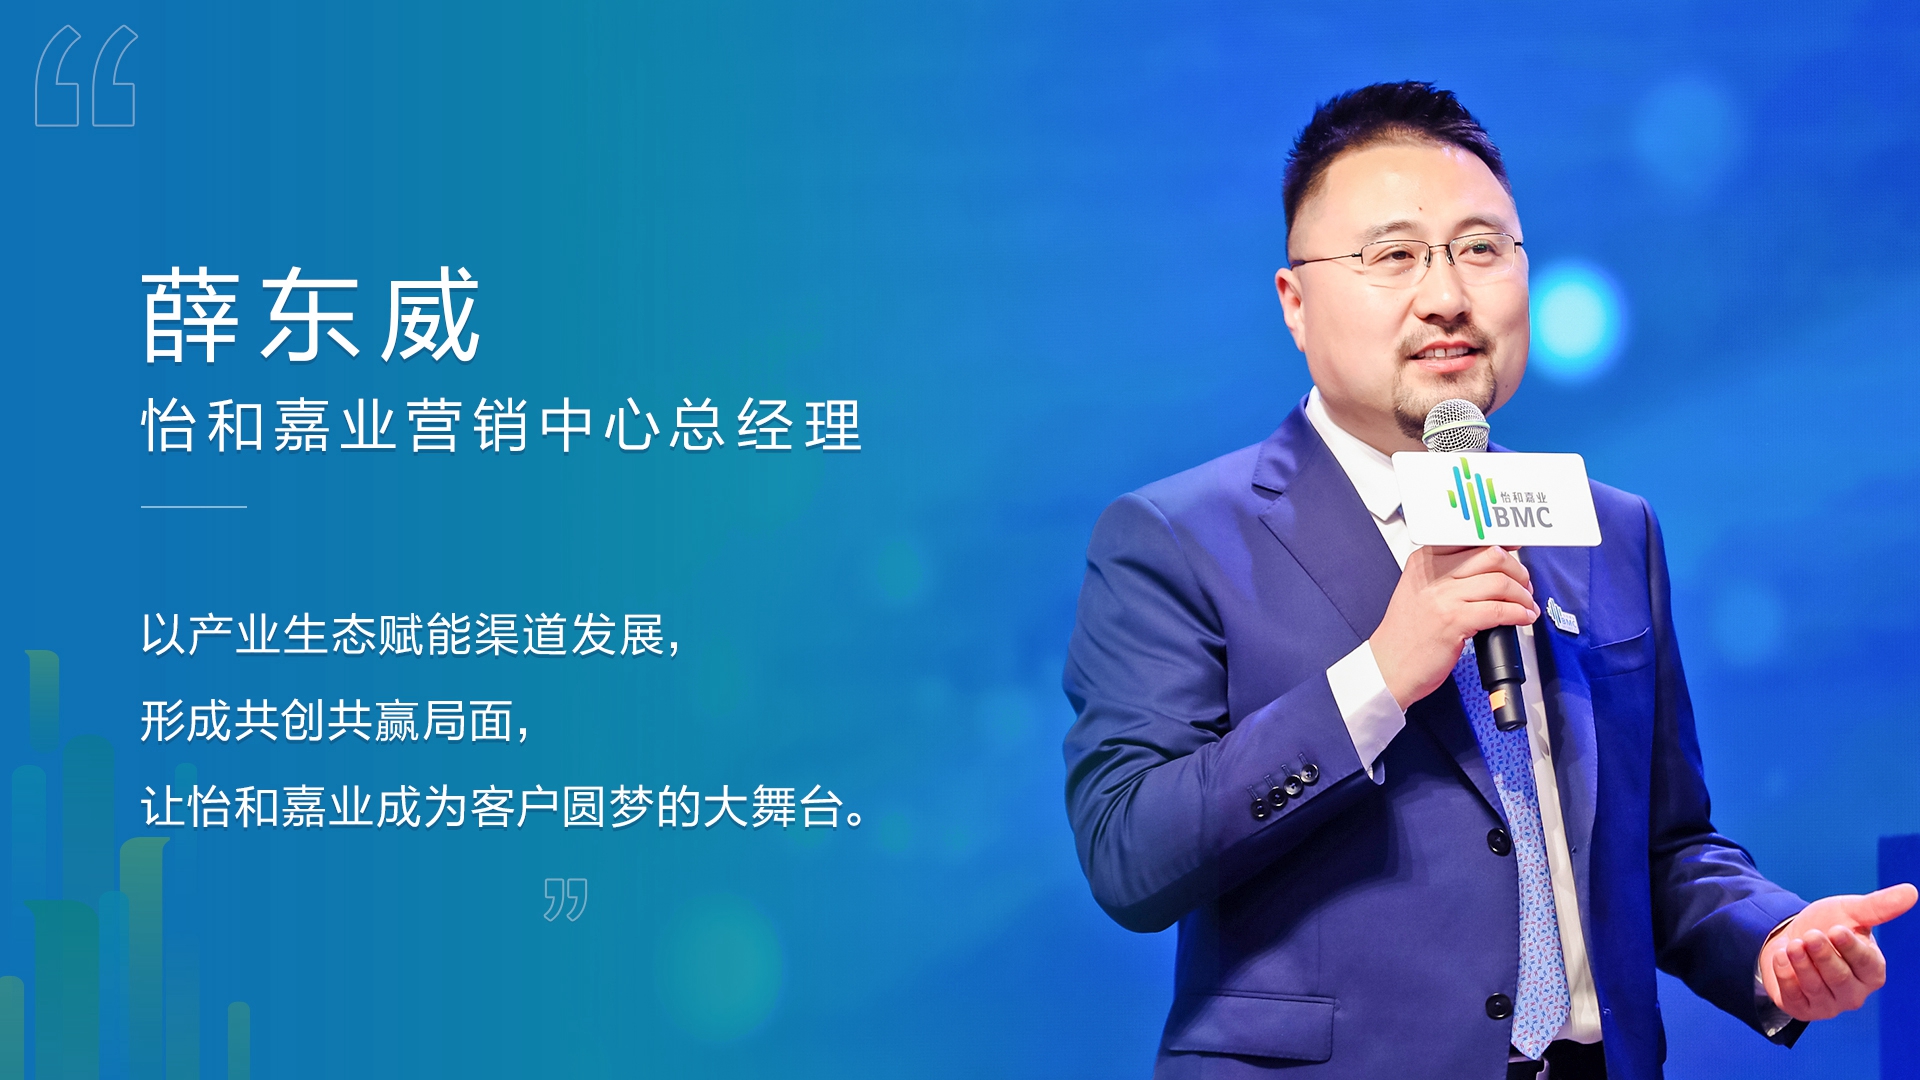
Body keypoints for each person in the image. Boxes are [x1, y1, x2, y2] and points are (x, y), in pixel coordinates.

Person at [1060, 81, 1914, 1080]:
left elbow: (1662, 847)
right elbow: (1130, 854)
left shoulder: (1607, 528)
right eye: (1393, 256)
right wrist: (1379, 677)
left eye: (1480, 249)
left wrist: (1770, 940)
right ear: (1295, 301)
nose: (1447, 296)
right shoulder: (1177, 538)